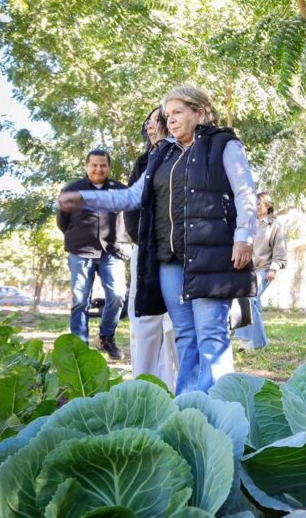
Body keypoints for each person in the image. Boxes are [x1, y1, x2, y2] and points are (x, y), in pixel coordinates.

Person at [59, 85, 257, 394]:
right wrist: (84, 199)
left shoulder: (223, 144)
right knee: (185, 336)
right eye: (168, 115)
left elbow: (246, 193)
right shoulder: (162, 154)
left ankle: (217, 408)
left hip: (210, 256)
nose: (171, 120)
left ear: (200, 112)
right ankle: (189, 407)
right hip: (169, 261)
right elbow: (133, 196)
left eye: (178, 112)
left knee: (211, 336)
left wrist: (243, 237)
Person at [122, 107, 178, 388]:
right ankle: (143, 386)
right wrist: (143, 241)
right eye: (149, 123)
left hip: (176, 256)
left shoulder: (185, 156)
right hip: (146, 254)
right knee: (144, 324)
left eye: (157, 121)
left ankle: (177, 388)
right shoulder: (142, 162)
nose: (151, 127)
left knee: (175, 326)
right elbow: (131, 212)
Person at [57, 149, 128, 360]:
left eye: (103, 165)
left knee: (117, 296)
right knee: (80, 300)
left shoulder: (120, 190)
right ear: (87, 166)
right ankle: (79, 348)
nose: (99, 169)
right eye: (94, 165)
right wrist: (78, 236)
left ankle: (106, 337)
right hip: (81, 250)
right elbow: (62, 221)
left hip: (113, 251)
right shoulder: (71, 190)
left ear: (108, 166)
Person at [234, 191, 287, 350]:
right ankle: (259, 342)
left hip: (264, 270)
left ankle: (247, 340)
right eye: (254, 204)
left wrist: (273, 269)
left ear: (268, 206)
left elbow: (280, 252)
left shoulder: (275, 226)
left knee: (249, 297)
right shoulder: (249, 224)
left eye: (259, 204)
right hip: (247, 271)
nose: (255, 207)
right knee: (254, 303)